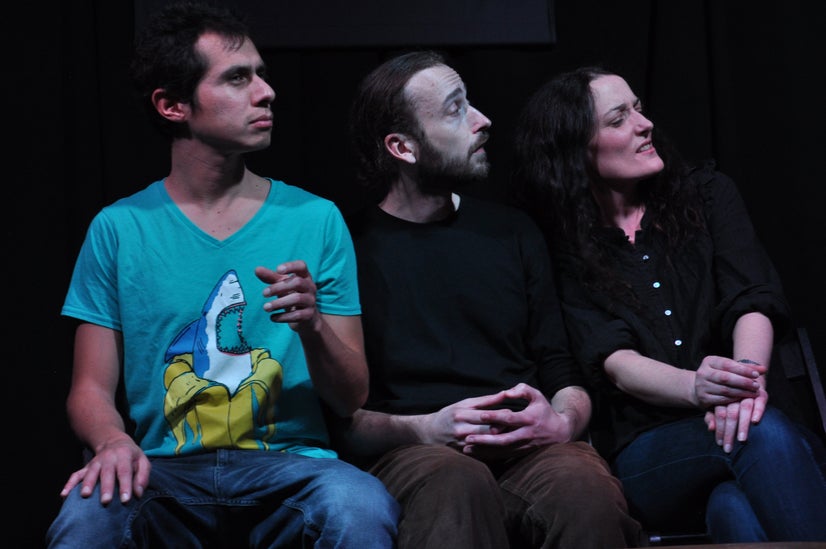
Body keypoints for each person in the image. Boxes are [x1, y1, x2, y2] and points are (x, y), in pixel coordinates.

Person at [46, 2, 399, 547]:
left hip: (291, 470)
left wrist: (313, 328)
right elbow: (89, 388)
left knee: (358, 505)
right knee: (85, 517)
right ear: (172, 105)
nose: (266, 92)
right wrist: (113, 441)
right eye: (238, 78)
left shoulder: (315, 218)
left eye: (261, 74)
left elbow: (351, 397)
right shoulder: (118, 228)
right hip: (161, 471)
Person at [330, 50, 644, 549]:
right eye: (455, 110)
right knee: (456, 484)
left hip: (526, 450)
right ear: (402, 147)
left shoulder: (511, 232)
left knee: (584, 490)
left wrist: (561, 421)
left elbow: (562, 367)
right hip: (416, 450)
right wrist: (427, 428)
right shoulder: (349, 246)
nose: (482, 121)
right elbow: (343, 420)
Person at [510, 65, 826, 542]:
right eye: (619, 118)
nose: (644, 124)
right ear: (577, 149)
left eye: (638, 108)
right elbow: (614, 360)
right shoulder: (559, 245)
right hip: (652, 451)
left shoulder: (708, 195)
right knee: (755, 437)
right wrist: (700, 389)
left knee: (734, 508)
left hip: (756, 413)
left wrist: (742, 380)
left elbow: (751, 300)